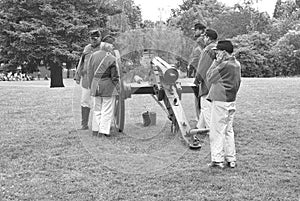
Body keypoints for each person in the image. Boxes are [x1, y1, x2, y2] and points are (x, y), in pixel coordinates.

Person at [206, 40, 241, 169]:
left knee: (216, 130)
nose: (216, 54)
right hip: (231, 100)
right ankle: (231, 159)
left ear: (224, 52)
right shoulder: (236, 64)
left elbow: (209, 76)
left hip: (221, 100)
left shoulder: (224, 65)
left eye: (218, 52)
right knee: (228, 130)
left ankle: (217, 160)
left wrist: (216, 62)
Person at [87, 33, 119, 137]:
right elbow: (114, 76)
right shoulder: (112, 58)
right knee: (107, 109)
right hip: (108, 86)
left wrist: (92, 85)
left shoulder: (93, 56)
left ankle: (96, 129)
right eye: (112, 45)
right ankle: (104, 131)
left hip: (95, 85)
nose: (113, 47)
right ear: (108, 46)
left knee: (97, 109)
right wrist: (117, 87)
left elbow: (89, 72)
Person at [74, 30, 102, 130]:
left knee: (97, 103)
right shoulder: (87, 48)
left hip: (99, 80)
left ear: (100, 38)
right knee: (85, 101)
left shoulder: (104, 48)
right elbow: (81, 62)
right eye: (92, 39)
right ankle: (84, 124)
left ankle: (98, 125)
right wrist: (77, 76)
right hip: (86, 79)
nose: (93, 41)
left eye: (95, 38)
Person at [194, 29, 218, 130]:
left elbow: (202, 68)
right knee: (209, 108)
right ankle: (199, 127)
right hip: (218, 83)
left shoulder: (208, 49)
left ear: (208, 38)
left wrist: (197, 80)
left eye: (204, 37)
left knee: (206, 107)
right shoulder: (219, 49)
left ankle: (211, 131)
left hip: (207, 84)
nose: (203, 38)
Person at [188, 22, 207, 122]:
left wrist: (190, 66)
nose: (194, 32)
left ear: (200, 30)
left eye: (195, 30)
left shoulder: (200, 40)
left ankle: (200, 119)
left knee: (198, 97)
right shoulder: (208, 39)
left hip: (200, 71)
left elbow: (197, 56)